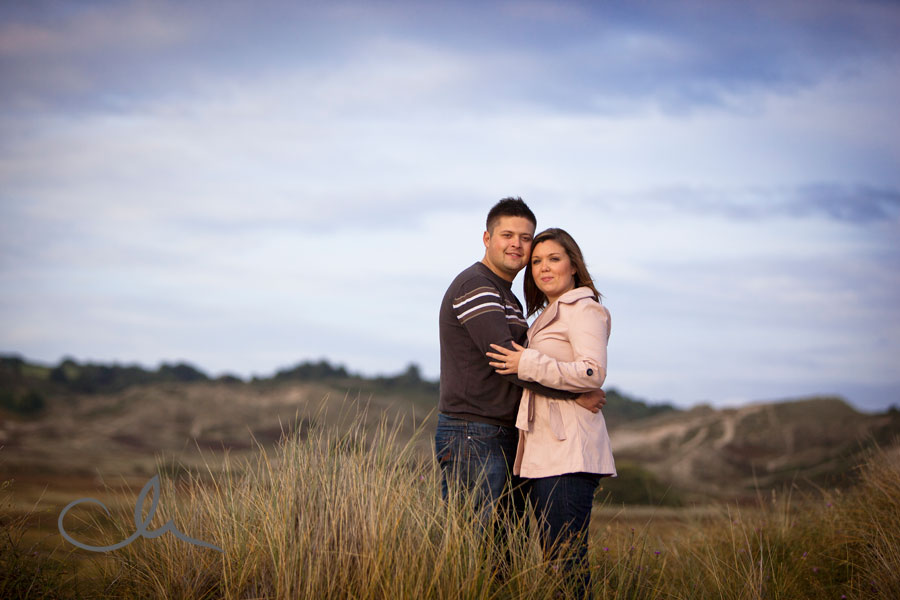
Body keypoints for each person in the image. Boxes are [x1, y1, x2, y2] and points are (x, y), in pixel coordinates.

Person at [435, 200, 606, 535]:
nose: (517, 243)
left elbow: (524, 363)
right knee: (474, 543)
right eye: (507, 235)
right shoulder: (476, 286)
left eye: (526, 238)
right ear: (487, 238)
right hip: (474, 431)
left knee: (501, 548)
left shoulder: (509, 297)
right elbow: (509, 363)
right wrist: (574, 395)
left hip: (503, 433)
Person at [486, 227, 615, 598]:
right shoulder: (547, 314)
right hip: (547, 452)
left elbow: (593, 371)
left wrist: (528, 361)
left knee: (566, 564)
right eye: (537, 261)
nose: (543, 267)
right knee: (555, 563)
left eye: (554, 259)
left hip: (569, 452)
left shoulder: (584, 309)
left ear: (573, 265)